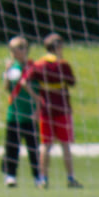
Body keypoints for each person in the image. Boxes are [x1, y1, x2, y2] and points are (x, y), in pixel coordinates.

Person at [25, 33, 81, 187]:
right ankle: (70, 178)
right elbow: (72, 82)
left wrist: (37, 97)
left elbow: (24, 82)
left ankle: (43, 178)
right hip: (62, 108)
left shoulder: (39, 64)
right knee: (65, 145)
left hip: (45, 109)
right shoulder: (63, 64)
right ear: (58, 47)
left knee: (45, 145)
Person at [0, 36, 42, 186]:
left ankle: (38, 176)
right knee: (12, 146)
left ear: (25, 50)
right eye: (12, 49)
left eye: (17, 48)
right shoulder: (12, 67)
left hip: (30, 114)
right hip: (14, 114)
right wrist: (6, 72)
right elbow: (6, 88)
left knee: (33, 147)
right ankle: (11, 175)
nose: (13, 52)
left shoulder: (33, 67)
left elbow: (40, 92)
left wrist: (38, 111)